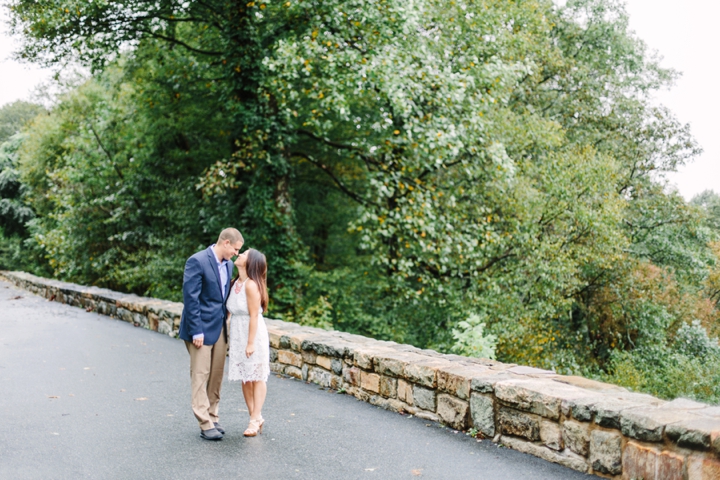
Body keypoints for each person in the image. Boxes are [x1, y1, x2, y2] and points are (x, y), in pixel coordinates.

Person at [178, 228, 244, 441]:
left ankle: (213, 416)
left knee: (216, 376)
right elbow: (191, 299)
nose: (236, 253)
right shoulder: (197, 261)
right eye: (235, 249)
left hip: (220, 328)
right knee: (200, 374)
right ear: (225, 243)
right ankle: (204, 422)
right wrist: (196, 330)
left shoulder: (230, 264)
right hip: (200, 329)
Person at [226, 248, 270, 437]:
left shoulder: (251, 285)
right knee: (245, 376)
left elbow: (253, 315)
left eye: (244, 254)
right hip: (237, 332)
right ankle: (255, 417)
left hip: (253, 333)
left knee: (257, 375)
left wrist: (250, 343)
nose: (239, 254)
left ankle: (254, 418)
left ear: (250, 262)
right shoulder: (235, 282)